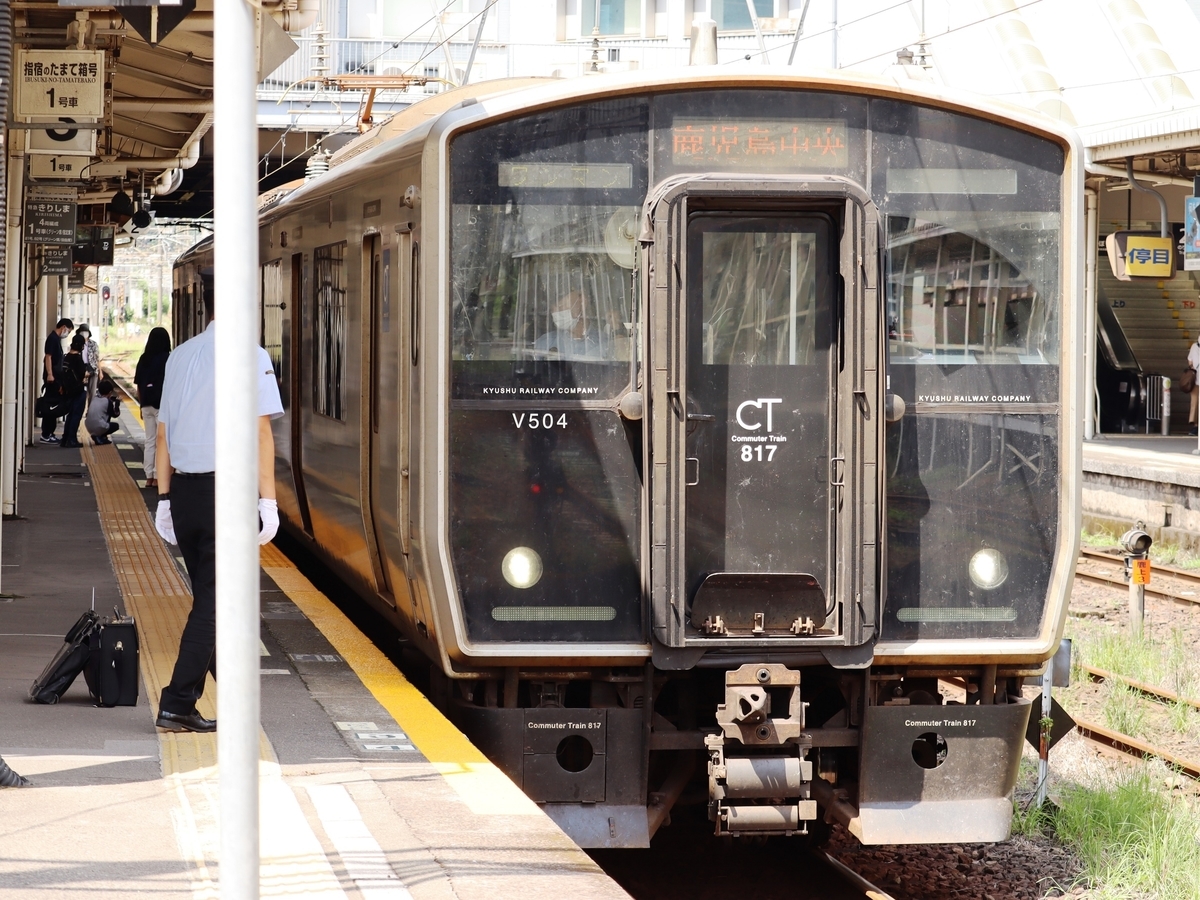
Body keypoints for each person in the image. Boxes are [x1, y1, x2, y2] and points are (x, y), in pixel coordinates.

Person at [152, 320, 284, 733]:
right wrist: (268, 501)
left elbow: (162, 435)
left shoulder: (180, 355)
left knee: (210, 596)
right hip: (225, 493)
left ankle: (232, 696)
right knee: (216, 603)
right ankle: (176, 703)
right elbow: (261, 434)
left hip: (187, 493)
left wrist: (164, 498)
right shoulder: (251, 354)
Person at [134, 328, 171, 488]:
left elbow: (138, 385)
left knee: (150, 440)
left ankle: (148, 476)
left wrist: (142, 405)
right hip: (161, 405)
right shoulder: (167, 359)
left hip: (146, 404)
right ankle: (157, 476)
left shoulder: (144, 358)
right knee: (161, 441)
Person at [532, 290, 612, 360]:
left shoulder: (605, 343)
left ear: (582, 302)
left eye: (561, 306)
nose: (556, 313)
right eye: (552, 309)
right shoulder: (544, 343)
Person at [39, 318, 73, 444]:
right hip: (52, 379)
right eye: (68, 331)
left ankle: (49, 433)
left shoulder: (55, 339)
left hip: (54, 378)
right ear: (63, 327)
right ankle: (46, 434)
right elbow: (48, 357)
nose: (67, 333)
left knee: (52, 405)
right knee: (51, 406)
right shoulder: (52, 339)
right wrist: (50, 374)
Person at [58, 334, 89, 449]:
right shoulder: (77, 359)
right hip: (78, 390)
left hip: (68, 390)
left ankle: (65, 439)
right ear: (81, 346)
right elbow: (82, 374)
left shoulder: (66, 357)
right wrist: (87, 374)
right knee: (76, 415)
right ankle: (71, 439)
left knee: (70, 415)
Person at [85, 379, 122, 445]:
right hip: (99, 427)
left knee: (103, 414)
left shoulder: (95, 398)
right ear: (110, 392)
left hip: (88, 427)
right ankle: (101, 437)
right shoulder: (108, 402)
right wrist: (117, 403)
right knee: (116, 426)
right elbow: (116, 414)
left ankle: (99, 436)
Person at [77, 324, 101, 403]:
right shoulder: (76, 344)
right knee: (81, 392)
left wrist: (100, 372)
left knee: (92, 392)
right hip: (81, 369)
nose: (84, 333)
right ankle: (82, 410)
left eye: (85, 332)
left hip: (93, 369)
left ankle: (90, 411)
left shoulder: (93, 344)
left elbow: (97, 358)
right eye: (82, 332)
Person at [1189, 337, 1200, 436]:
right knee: (1195, 404)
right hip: (1196, 381)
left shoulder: (1193, 346)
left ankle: (1196, 426)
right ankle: (1196, 425)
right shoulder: (1194, 346)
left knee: (1195, 404)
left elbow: (1190, 361)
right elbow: (1190, 361)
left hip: (1197, 380)